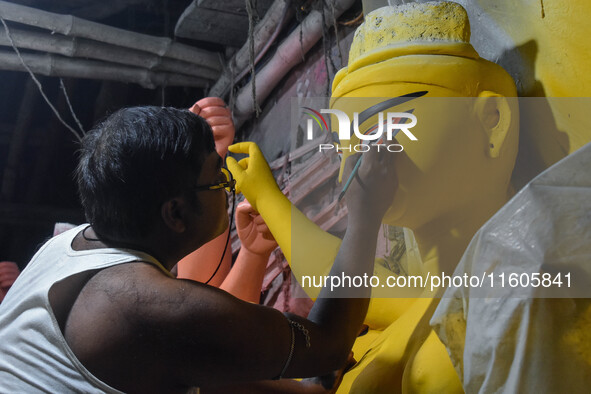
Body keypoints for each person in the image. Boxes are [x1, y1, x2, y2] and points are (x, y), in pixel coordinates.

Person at [0, 105, 397, 393]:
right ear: (174, 212)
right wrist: (366, 214)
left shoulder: (69, 247)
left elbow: (201, 354)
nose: (228, 184)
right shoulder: (145, 306)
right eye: (216, 176)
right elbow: (329, 344)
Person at [228, 2, 520, 392]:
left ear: (491, 120)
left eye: (390, 125)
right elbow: (352, 288)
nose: (359, 162)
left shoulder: (470, 330)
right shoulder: (429, 296)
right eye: (348, 142)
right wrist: (267, 196)